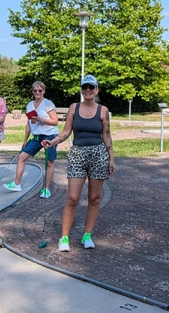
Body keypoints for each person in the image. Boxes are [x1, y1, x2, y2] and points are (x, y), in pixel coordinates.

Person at [42, 75, 115, 251]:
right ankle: (64, 238)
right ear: (82, 90)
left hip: (98, 154)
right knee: (72, 197)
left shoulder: (103, 110)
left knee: (94, 198)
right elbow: (66, 131)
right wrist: (53, 141)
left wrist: (111, 158)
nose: (88, 91)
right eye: (85, 88)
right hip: (77, 154)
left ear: (96, 90)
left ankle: (87, 235)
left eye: (91, 88)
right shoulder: (74, 108)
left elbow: (106, 135)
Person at [3, 81, 59, 198]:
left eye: (40, 90)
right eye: (35, 90)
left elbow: (55, 121)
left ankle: (46, 189)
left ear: (44, 91)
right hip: (36, 137)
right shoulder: (29, 105)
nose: (37, 92)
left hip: (49, 136)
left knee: (49, 162)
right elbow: (28, 124)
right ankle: (16, 184)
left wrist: (41, 119)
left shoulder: (48, 104)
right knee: (21, 157)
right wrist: (25, 140)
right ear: (32, 92)